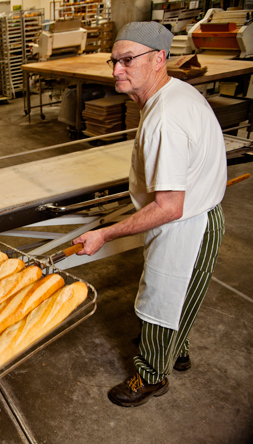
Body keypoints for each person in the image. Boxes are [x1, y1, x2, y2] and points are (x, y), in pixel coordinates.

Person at [72, 21, 227, 407]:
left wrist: (105, 234)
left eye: (127, 60)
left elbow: (169, 207)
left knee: (160, 302)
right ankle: (179, 349)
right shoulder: (177, 93)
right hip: (204, 217)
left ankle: (152, 375)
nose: (116, 70)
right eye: (114, 61)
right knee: (186, 295)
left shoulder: (164, 120)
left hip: (185, 228)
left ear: (159, 58)